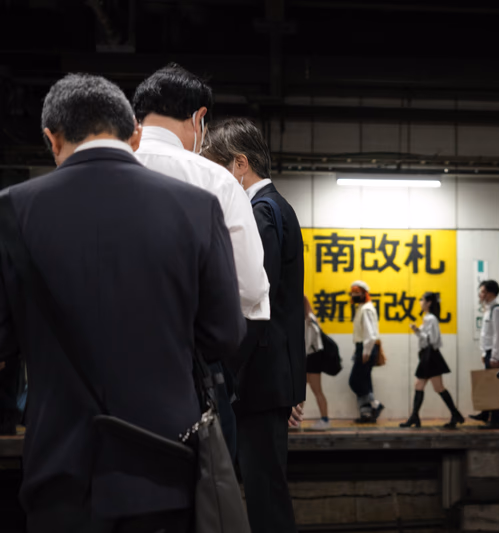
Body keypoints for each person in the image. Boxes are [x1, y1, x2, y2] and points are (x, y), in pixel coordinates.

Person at [1, 73, 244, 532]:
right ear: (134, 132)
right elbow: (224, 335)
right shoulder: (196, 207)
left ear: (51, 140)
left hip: (61, 472)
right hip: (167, 466)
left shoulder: (12, 211)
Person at [132, 64, 270, 457]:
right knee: (202, 500)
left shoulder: (102, 174)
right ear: (199, 117)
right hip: (188, 373)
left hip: (101, 378)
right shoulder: (216, 181)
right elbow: (250, 288)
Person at [201, 117, 305, 533]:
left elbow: (255, 303)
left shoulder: (261, 212)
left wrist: (227, 373)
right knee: (266, 486)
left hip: (257, 379)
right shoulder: (281, 208)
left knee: (264, 491)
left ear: (240, 164)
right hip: (272, 376)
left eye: (219, 168)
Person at [400, 292, 464, 429]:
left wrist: (418, 330)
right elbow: (425, 337)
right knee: (435, 387)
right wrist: (417, 330)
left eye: (422, 300)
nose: (420, 302)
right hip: (429, 355)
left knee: (425, 385)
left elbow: (432, 339)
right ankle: (454, 414)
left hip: (430, 355)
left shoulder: (430, 319)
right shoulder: (428, 318)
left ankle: (415, 417)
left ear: (428, 303)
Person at [468, 280, 499, 430]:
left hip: (495, 353)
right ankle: (486, 414)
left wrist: (495, 357)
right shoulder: (489, 309)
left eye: (483, 291)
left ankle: (496, 420)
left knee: (494, 388)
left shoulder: (498, 310)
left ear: (490, 293)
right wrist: (485, 353)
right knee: (489, 385)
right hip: (489, 352)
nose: (480, 294)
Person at [348, 281, 385, 423]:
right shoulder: (362, 308)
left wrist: (366, 352)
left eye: (358, 292)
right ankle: (367, 414)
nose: (354, 295)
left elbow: (370, 334)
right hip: (362, 347)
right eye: (353, 292)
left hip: (366, 348)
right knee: (365, 381)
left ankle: (376, 405)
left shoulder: (366, 309)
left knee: (355, 381)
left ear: (365, 294)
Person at [304, 295, 330, 431]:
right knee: (301, 391)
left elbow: (309, 344)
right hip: (310, 358)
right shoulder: (311, 319)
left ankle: (325, 419)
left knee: (316, 390)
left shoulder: (309, 320)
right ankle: (296, 420)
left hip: (311, 359)